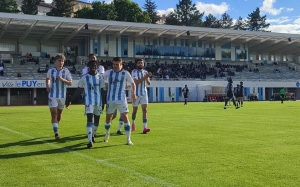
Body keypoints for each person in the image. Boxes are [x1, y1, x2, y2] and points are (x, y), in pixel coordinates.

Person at [66, 60, 104, 148]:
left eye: (95, 65)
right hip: (89, 102)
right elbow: (79, 90)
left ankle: (93, 134)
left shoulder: (100, 77)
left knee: (97, 121)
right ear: (88, 66)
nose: (94, 66)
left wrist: (104, 103)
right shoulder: (84, 77)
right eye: (92, 65)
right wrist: (71, 100)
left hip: (98, 102)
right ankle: (90, 140)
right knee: (90, 119)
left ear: (97, 66)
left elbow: (102, 90)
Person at [102, 57, 136, 145]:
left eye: (117, 64)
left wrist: (133, 94)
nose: (115, 66)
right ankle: (107, 134)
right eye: (114, 64)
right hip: (110, 99)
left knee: (125, 117)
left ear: (121, 64)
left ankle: (128, 139)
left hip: (121, 99)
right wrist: (104, 84)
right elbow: (100, 78)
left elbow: (132, 83)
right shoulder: (109, 72)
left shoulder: (125, 73)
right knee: (108, 118)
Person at [45, 54, 72, 140]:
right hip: (52, 95)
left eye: (62, 61)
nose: (61, 62)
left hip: (62, 96)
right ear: (55, 62)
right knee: (54, 113)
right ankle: (56, 133)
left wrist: (62, 79)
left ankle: (56, 124)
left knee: (59, 114)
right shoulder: (51, 71)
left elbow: (70, 82)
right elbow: (47, 79)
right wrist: (47, 86)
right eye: (59, 61)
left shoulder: (66, 71)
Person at [130, 59, 151, 133]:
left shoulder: (145, 72)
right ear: (136, 64)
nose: (140, 64)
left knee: (145, 110)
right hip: (136, 94)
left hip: (144, 93)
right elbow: (136, 82)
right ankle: (133, 123)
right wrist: (145, 77)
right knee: (135, 111)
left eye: (141, 63)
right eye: (139, 63)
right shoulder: (134, 72)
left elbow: (149, 83)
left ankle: (145, 127)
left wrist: (148, 77)